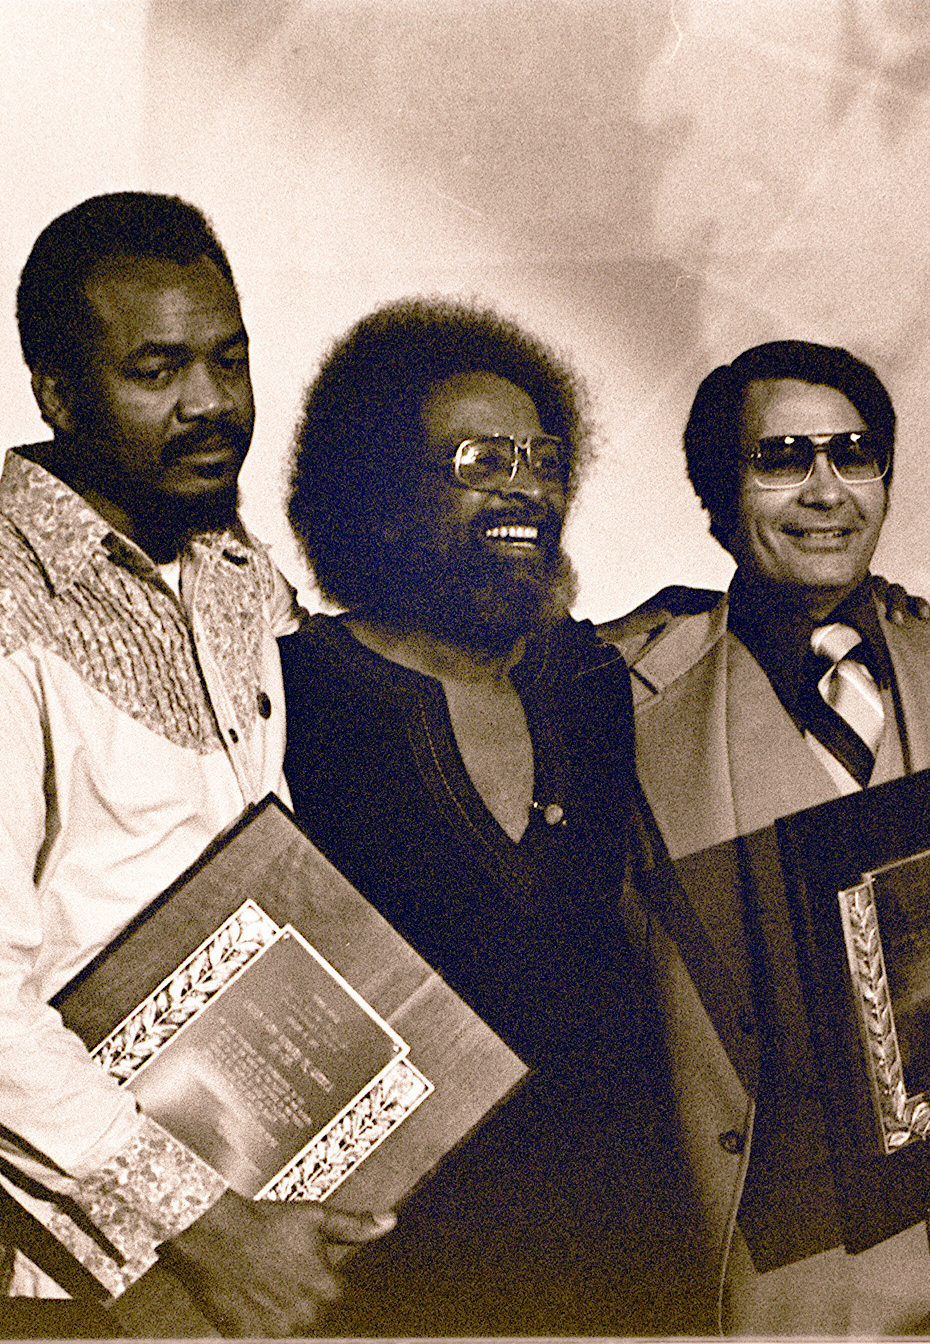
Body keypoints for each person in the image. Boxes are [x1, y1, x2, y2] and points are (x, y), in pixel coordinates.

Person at [0, 193, 387, 1339]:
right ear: (58, 395)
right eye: (157, 370)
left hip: (268, 1239)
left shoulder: (232, 565)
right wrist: (205, 1227)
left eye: (229, 359)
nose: (209, 402)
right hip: (87, 1287)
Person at [600, 339, 930, 1334]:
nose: (824, 490)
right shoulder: (628, 704)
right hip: (779, 1267)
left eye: (853, 455)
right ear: (719, 495)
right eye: (782, 458)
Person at [278, 297, 701, 1336]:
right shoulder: (290, 699)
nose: (524, 486)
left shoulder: (598, 690)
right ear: (377, 498)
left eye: (543, 459)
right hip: (397, 1286)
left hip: (632, 1269)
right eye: (480, 460)